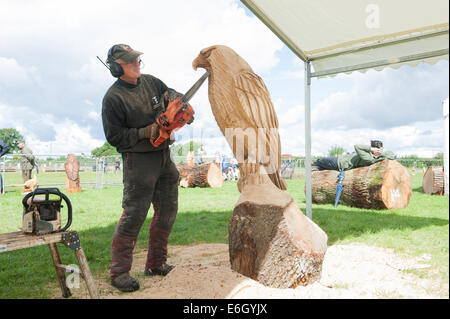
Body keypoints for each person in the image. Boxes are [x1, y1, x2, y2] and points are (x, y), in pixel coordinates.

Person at [101, 44, 186, 292]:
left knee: (168, 210)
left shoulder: (151, 82)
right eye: (130, 61)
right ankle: (119, 273)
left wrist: (178, 104)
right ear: (116, 68)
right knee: (134, 214)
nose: (137, 63)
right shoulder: (113, 98)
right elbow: (114, 136)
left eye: (137, 59)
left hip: (163, 156)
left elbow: (169, 92)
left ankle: (156, 263)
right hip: (138, 161)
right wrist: (144, 132)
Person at [312, 140, 395, 172]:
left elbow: (357, 146)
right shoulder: (369, 156)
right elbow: (357, 146)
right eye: (379, 149)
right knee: (318, 164)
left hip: (339, 163)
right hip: (339, 161)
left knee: (320, 165)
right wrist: (371, 149)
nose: (380, 151)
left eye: (381, 149)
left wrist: (372, 150)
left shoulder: (371, 158)